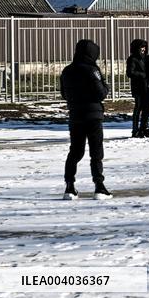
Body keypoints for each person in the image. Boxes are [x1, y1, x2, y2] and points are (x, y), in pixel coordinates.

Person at [60, 39, 112, 200]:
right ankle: (99, 186)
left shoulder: (67, 71)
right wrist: (105, 85)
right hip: (93, 115)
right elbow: (101, 93)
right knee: (96, 152)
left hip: (75, 115)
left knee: (75, 151)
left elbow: (64, 94)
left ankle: (69, 186)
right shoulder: (92, 70)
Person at [125, 39, 147, 138]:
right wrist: (143, 75)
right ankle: (135, 129)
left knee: (145, 108)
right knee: (138, 107)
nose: (144, 49)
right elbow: (130, 72)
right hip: (138, 86)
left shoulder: (144, 58)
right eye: (141, 47)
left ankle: (144, 127)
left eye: (144, 47)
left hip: (145, 86)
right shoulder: (132, 59)